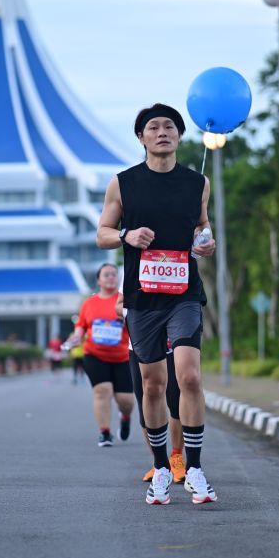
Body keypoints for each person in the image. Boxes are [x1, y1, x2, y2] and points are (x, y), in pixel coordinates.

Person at [97, 103, 218, 505]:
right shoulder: (123, 183)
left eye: (170, 126)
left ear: (179, 136)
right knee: (152, 384)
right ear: (141, 137)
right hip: (142, 297)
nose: (162, 132)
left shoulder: (197, 182)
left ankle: (195, 469)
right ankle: (162, 468)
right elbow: (102, 233)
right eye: (153, 127)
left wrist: (205, 240)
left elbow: (201, 225)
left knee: (189, 376)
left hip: (184, 293)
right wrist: (126, 236)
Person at [115, 291, 185, 484]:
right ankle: (159, 462)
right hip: (140, 344)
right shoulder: (132, 273)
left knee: (175, 401)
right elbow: (118, 305)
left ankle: (177, 457)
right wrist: (136, 312)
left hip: (172, 344)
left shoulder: (177, 270)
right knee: (146, 402)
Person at [68, 263, 134, 447]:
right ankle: (105, 432)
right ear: (98, 280)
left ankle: (125, 417)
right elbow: (81, 325)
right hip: (95, 354)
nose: (111, 277)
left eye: (114, 274)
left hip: (123, 357)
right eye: (106, 274)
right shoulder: (89, 303)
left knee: (126, 400)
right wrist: (77, 337)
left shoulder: (125, 301)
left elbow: (137, 324)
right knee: (102, 391)